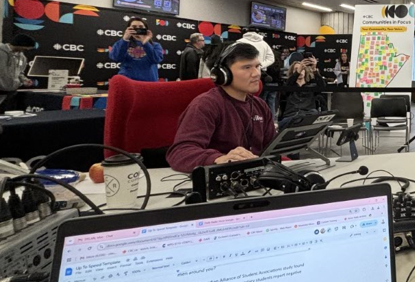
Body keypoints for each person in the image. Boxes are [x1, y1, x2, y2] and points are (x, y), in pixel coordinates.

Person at [167, 43, 276, 173]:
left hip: (259, 178)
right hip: (220, 181)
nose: (256, 74)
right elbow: (180, 153)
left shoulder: (260, 105)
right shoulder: (206, 105)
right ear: (223, 73)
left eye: (257, 66)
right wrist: (219, 159)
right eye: (247, 67)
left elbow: (272, 149)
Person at [108, 18, 164, 82]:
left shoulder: (155, 45)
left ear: (146, 29)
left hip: (148, 82)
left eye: (141, 27)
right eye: (134, 27)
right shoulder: (122, 43)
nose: (137, 29)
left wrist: (145, 43)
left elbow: (156, 59)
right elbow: (116, 58)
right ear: (128, 29)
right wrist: (125, 39)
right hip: (127, 82)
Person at [280, 53, 325, 129]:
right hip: (291, 116)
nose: (300, 72)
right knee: (293, 119)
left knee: (312, 113)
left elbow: (322, 87)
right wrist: (297, 72)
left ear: (305, 71)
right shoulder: (289, 85)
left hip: (308, 116)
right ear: (293, 72)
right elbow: (286, 88)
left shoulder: (312, 85)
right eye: (296, 69)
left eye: (301, 69)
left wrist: (314, 69)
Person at [0, 34, 35, 110]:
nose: (27, 50)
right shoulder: (1, 52)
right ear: (20, 44)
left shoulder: (22, 57)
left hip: (11, 92)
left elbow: (20, 73)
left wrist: (24, 80)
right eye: (26, 48)